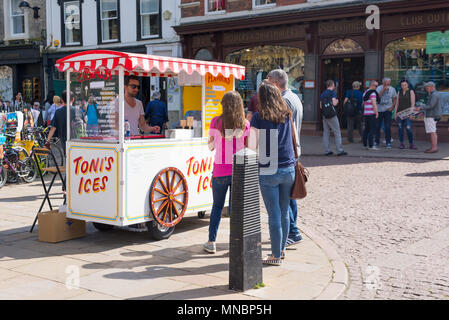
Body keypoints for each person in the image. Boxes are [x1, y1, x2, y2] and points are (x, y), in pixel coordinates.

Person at [249, 81, 296, 266]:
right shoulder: (286, 114)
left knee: (273, 214)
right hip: (288, 167)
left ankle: (275, 255)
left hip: (268, 167)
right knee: (284, 211)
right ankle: (282, 250)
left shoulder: (259, 117)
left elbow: (251, 146)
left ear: (262, 97)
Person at [203, 91, 250, 254]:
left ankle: (211, 241)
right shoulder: (244, 124)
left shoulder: (215, 122)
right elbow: (248, 147)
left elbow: (210, 147)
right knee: (235, 209)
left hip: (220, 170)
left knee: (217, 207)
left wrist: (217, 140)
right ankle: (235, 243)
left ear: (223, 104)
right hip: (238, 169)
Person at [266, 69, 303, 248]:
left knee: (285, 199)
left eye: (268, 80)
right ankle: (291, 231)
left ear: (275, 83)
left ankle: (292, 232)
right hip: (293, 152)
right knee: (290, 195)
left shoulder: (285, 100)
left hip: (286, 154)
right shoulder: (294, 97)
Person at [320, 80, 347, 156]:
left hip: (325, 115)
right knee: (337, 132)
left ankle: (327, 150)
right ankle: (339, 150)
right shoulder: (333, 93)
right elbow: (334, 103)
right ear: (332, 85)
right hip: (332, 115)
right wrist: (337, 101)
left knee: (326, 132)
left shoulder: (323, 94)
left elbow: (321, 106)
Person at [45, 90, 76, 156]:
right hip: (77, 139)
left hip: (64, 140)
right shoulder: (76, 110)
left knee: (67, 158)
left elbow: (53, 128)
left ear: (62, 100)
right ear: (73, 99)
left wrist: (47, 141)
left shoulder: (58, 112)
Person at [415, 82, 442, 153]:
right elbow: (430, 106)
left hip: (431, 116)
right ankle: (434, 147)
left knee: (432, 132)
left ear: (431, 87)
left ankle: (434, 148)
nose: (426, 89)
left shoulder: (434, 95)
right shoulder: (434, 94)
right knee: (432, 131)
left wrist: (420, 108)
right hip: (431, 115)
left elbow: (430, 105)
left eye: (427, 88)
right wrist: (423, 111)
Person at [394, 80, 417, 150]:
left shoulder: (411, 92)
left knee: (408, 128)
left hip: (408, 113)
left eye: (405, 85)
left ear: (408, 85)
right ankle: (401, 143)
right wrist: (395, 113)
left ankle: (411, 144)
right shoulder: (399, 92)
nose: (403, 86)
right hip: (400, 113)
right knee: (400, 129)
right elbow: (397, 104)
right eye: (402, 85)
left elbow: (413, 104)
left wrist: (412, 114)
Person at [375, 78, 397, 149]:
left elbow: (394, 99)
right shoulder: (378, 88)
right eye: (386, 83)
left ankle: (388, 142)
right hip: (379, 110)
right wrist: (384, 89)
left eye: (388, 83)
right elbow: (377, 97)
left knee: (387, 127)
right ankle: (376, 141)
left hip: (388, 110)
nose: (387, 85)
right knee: (377, 126)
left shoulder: (392, 89)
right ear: (383, 83)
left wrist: (392, 107)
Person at [362, 80, 380, 150]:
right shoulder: (373, 93)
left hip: (366, 113)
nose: (376, 87)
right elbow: (374, 104)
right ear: (372, 85)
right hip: (372, 113)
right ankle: (371, 145)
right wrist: (376, 112)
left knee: (366, 129)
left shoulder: (365, 93)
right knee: (372, 130)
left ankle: (365, 144)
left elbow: (363, 103)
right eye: (376, 86)